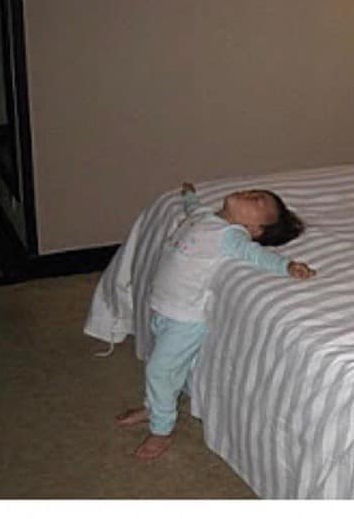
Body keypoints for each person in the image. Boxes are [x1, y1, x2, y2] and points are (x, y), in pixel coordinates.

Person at [116, 181, 315, 459]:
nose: (248, 194)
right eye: (253, 192)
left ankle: (161, 430)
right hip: (164, 308)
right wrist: (189, 195)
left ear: (255, 229)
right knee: (162, 367)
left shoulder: (230, 235)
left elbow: (256, 255)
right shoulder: (205, 216)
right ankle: (153, 406)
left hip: (184, 319)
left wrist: (287, 266)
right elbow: (193, 209)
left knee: (160, 370)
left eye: (257, 201)